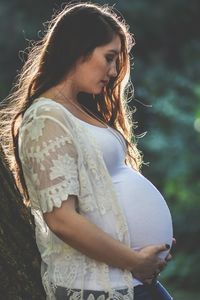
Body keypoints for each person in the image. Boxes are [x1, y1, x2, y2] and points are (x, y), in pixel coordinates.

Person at [1, 2, 174, 299]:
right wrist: (135, 260)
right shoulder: (45, 117)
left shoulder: (80, 110)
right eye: (109, 57)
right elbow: (61, 220)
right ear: (78, 49)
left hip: (127, 276)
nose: (114, 70)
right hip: (99, 282)